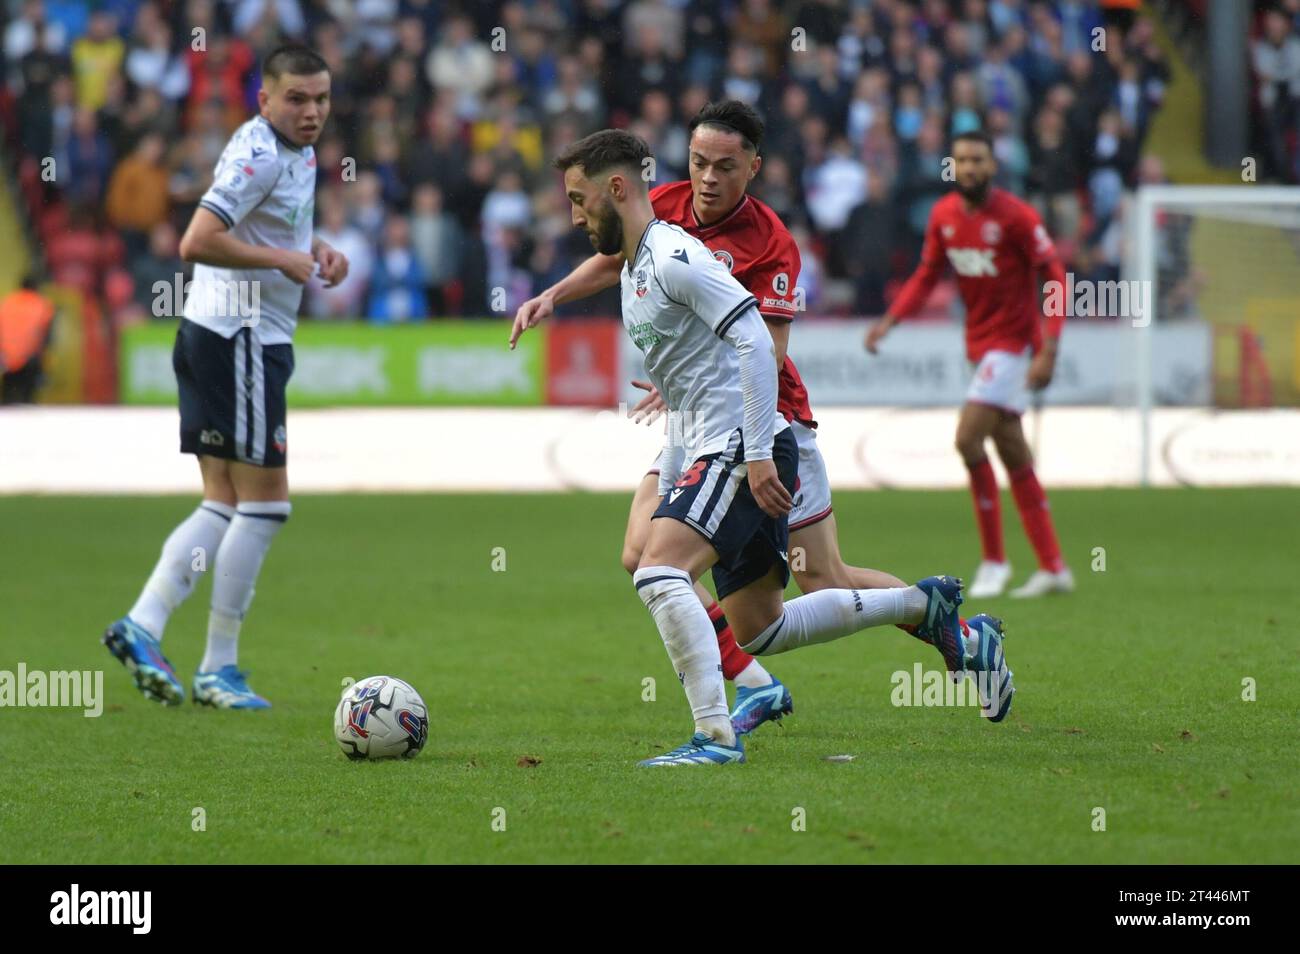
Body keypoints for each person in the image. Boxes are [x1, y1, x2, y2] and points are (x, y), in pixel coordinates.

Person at [533, 129, 1013, 765]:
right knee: (756, 621)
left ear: (752, 168)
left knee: (702, 570)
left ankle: (716, 735)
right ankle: (916, 608)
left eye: (724, 166)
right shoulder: (654, 228)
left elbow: (762, 347)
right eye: (699, 161)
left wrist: (755, 450)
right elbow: (615, 261)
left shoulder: (739, 247)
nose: (706, 177)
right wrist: (556, 300)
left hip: (761, 426)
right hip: (704, 430)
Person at [102, 45, 349, 709]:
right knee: (266, 506)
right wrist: (280, 259)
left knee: (225, 503)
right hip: (240, 336)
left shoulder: (295, 150)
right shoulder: (260, 151)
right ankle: (218, 666)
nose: (312, 111)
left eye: (321, 98)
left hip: (227, 336)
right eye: (297, 99)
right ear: (263, 99)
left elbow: (272, 223)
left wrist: (312, 249)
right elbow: (196, 239)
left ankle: (146, 624)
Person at [866, 130, 1071, 599]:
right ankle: (1053, 566)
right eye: (961, 160)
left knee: (966, 438)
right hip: (979, 347)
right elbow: (926, 275)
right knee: (1013, 451)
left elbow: (1054, 274)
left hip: (1014, 346)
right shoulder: (944, 216)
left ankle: (995, 562)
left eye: (978, 159)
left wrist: (1049, 347)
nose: (970, 168)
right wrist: (890, 321)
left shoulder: (1016, 217)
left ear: (993, 165)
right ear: (951, 166)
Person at [0, 275, 56, 404]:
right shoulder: (42, 305)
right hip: (29, 357)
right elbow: (47, 337)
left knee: (9, 394)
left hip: (7, 357)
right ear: (36, 288)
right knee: (27, 398)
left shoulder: (7, 302)